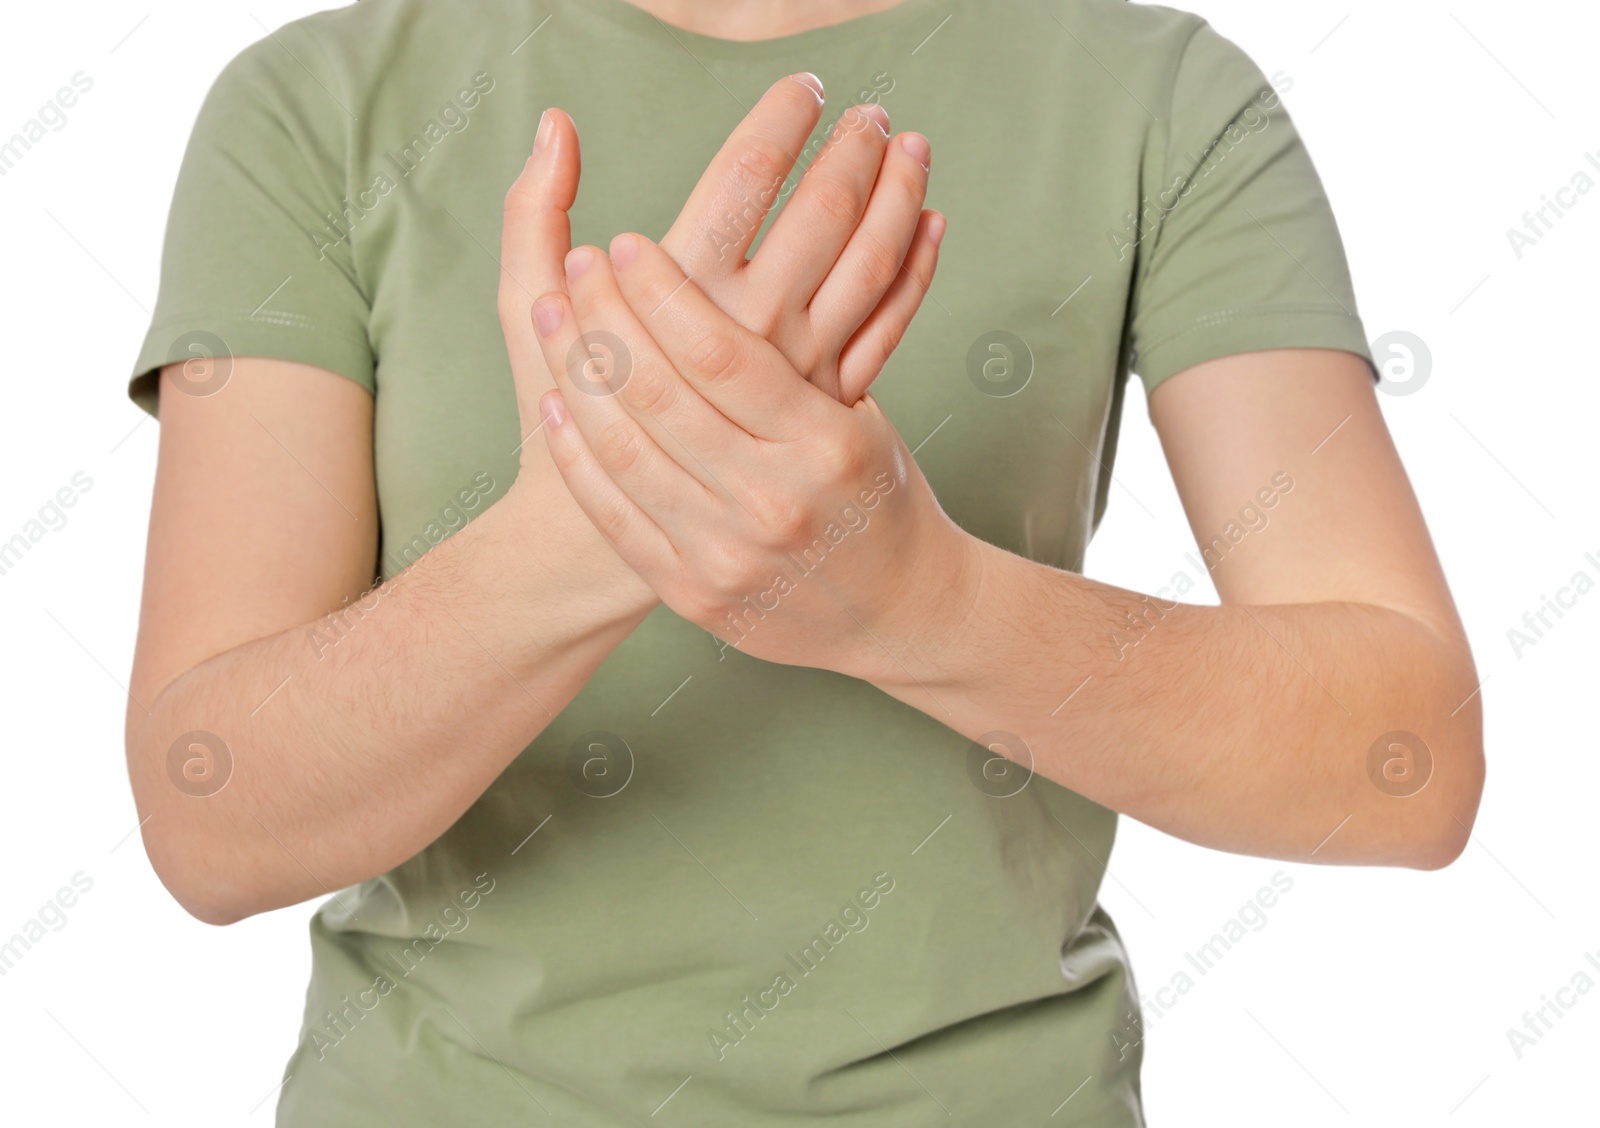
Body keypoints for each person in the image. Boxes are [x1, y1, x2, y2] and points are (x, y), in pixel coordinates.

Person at [123, 0, 1485, 1123]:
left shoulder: (1166, 98)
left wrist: (918, 600)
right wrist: (593, 526)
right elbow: (211, 816)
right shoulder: (316, 104)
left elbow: (1403, 759)